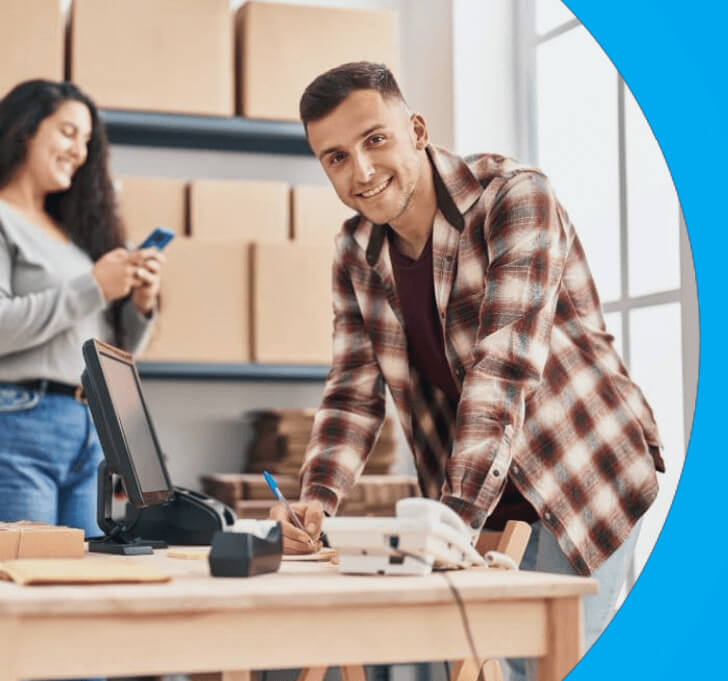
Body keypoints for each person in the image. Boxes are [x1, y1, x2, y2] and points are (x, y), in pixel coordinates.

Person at [269, 62, 665, 680]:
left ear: (417, 130)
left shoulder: (513, 197)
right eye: (336, 158)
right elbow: (351, 392)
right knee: (496, 670)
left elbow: (504, 369)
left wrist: (450, 520)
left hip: (580, 472)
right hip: (482, 499)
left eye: (375, 139)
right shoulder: (354, 250)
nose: (362, 172)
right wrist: (316, 501)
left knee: (557, 662)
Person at [0, 79, 163, 681]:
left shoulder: (70, 240)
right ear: (24, 130)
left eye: (87, 140)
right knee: (10, 622)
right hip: (5, 427)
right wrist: (94, 286)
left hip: (83, 430)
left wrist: (138, 306)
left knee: (77, 622)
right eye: (67, 132)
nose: (80, 149)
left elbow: (103, 351)